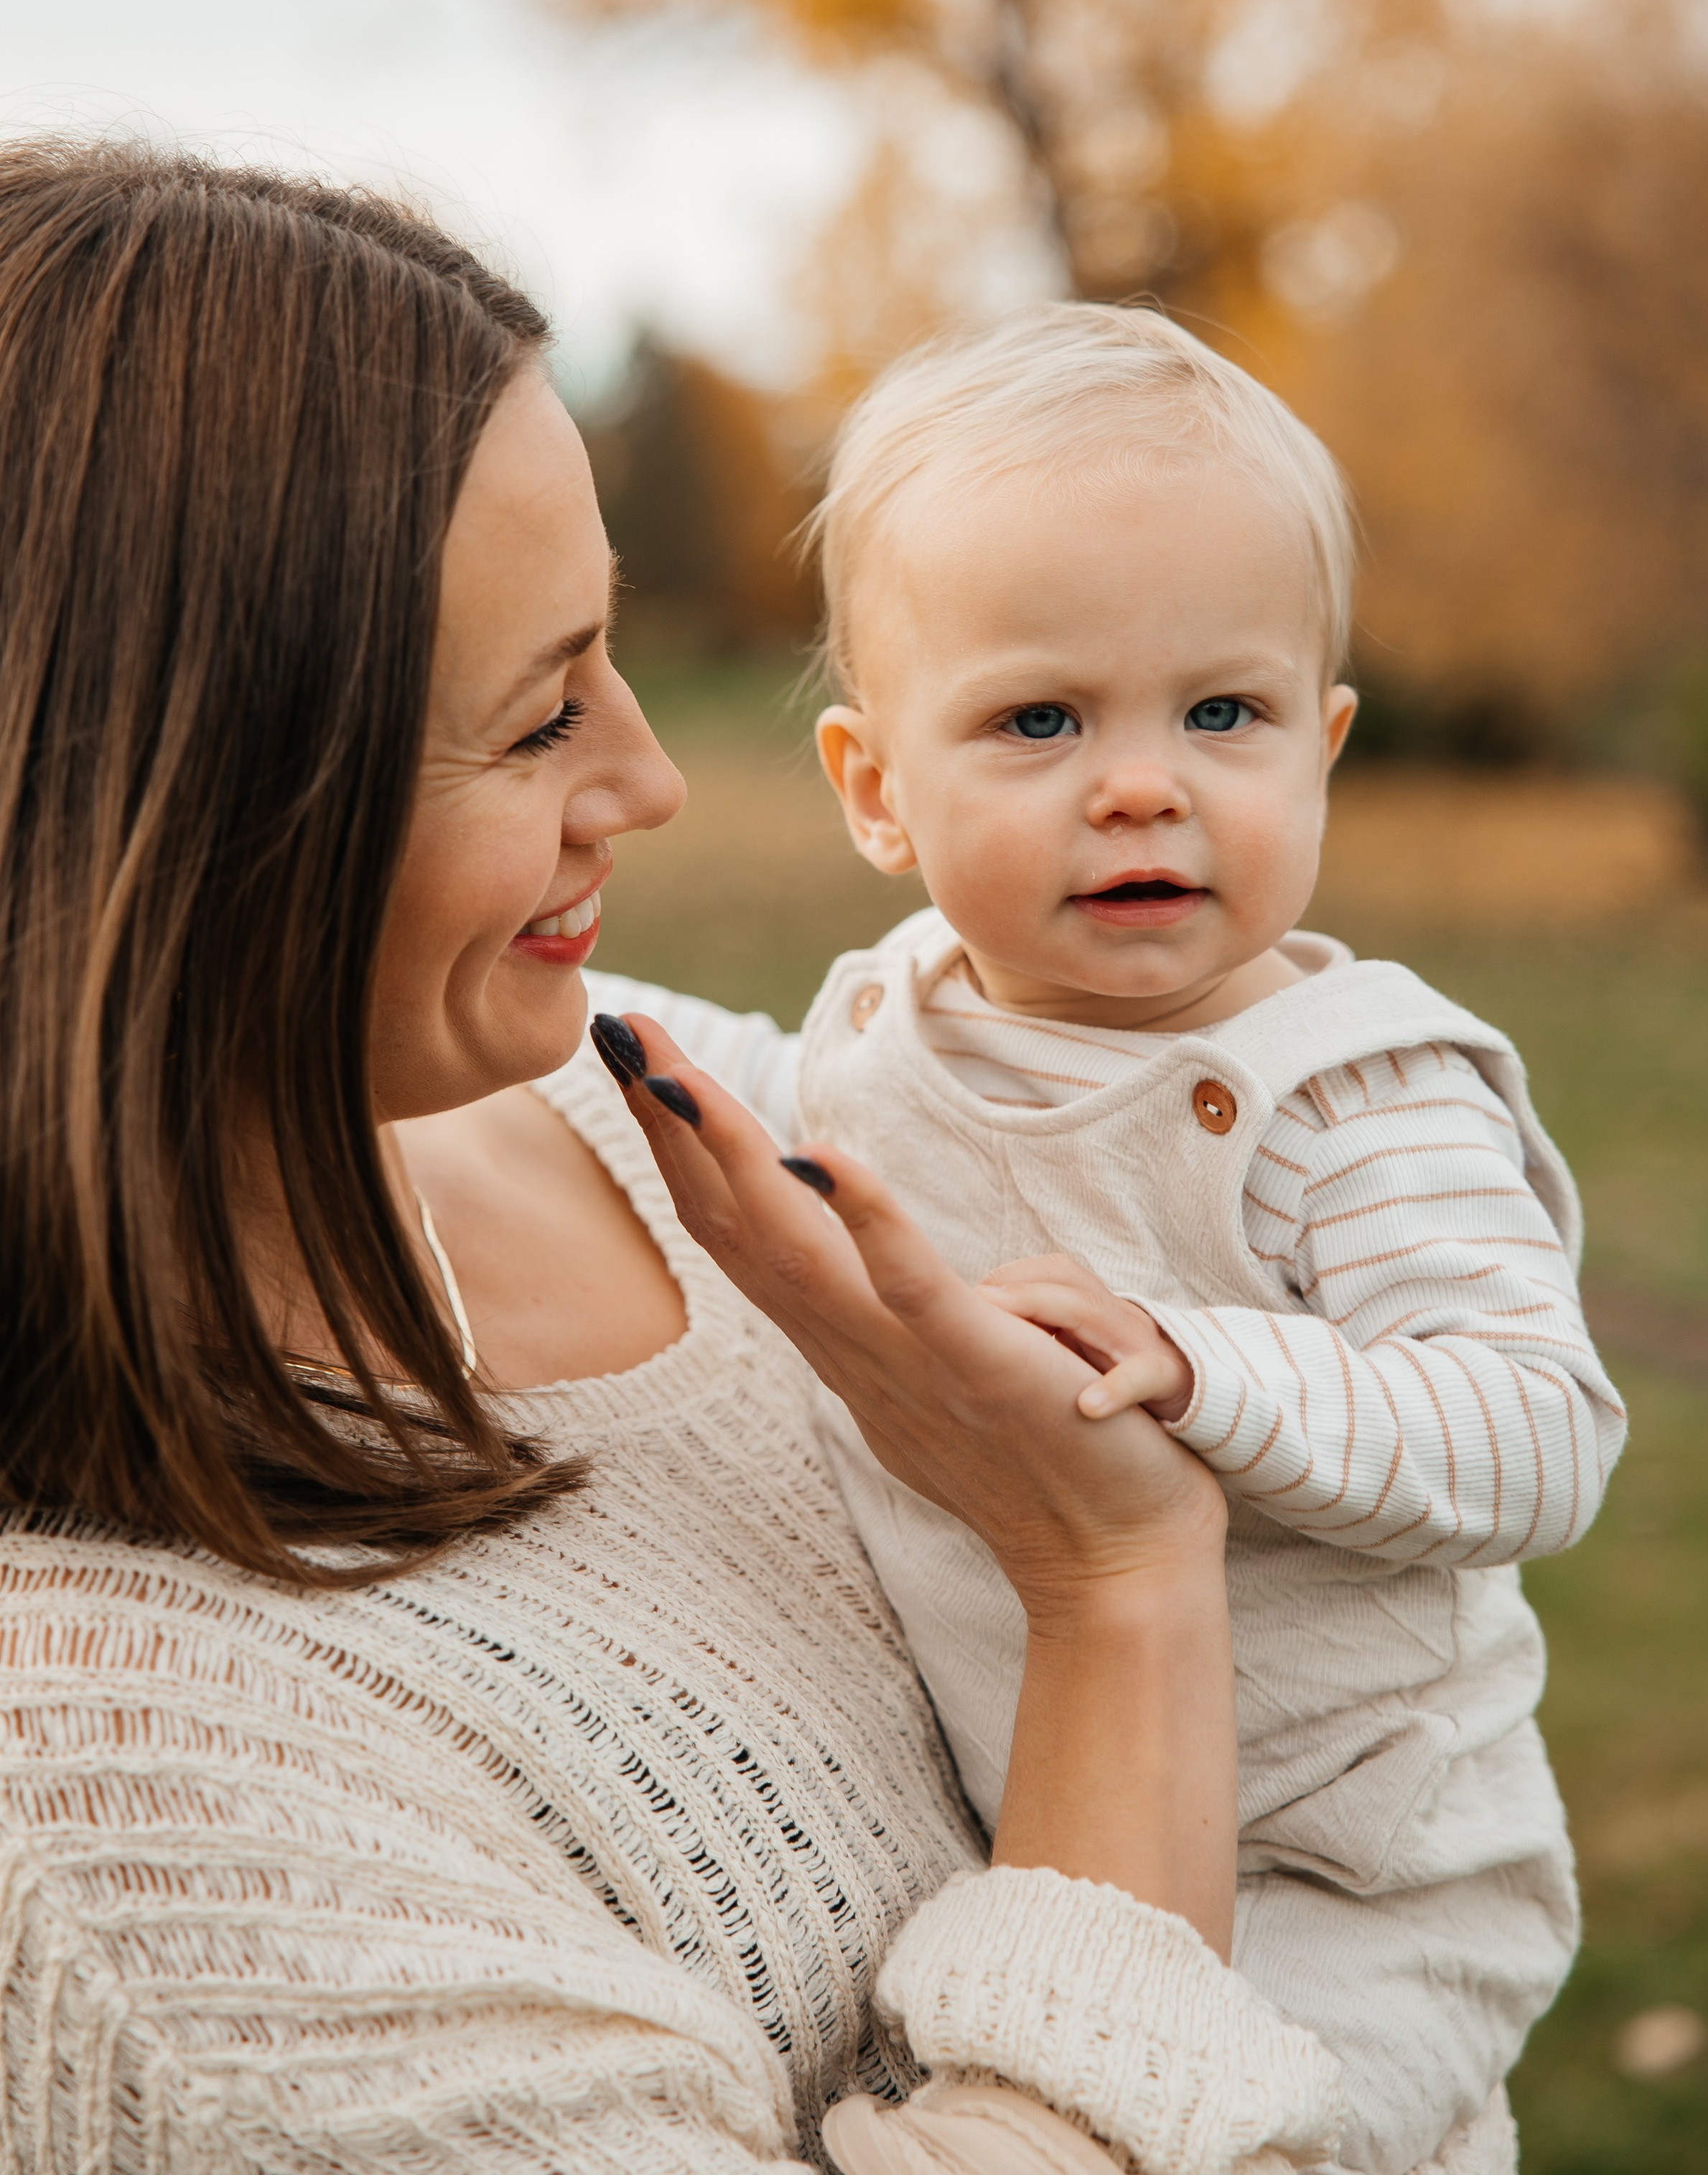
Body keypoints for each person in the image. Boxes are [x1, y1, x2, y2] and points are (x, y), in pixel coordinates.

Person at [0, 143, 1353, 2175]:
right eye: (540, 718)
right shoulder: (114, 1838)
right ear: (181, 809)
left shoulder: (670, 1126)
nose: (645, 776)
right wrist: (1116, 1596)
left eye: (609, 655)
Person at [592, 308, 1629, 2175]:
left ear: (1320, 749)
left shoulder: (1349, 1096)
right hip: (1035, 1810)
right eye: (1040, 720)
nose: (1142, 782)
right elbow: (737, 1100)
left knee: (1230, 2137)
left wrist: (1207, 1363)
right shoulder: (895, 1037)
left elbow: (1541, 1428)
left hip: (1360, 1865)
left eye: (1221, 714)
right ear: (875, 791)